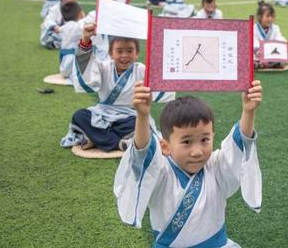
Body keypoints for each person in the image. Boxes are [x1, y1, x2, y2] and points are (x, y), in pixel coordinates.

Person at [113, 81, 263, 247]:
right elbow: (141, 156)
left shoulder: (215, 166)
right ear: (165, 146)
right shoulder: (161, 172)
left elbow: (238, 146)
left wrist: (248, 111)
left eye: (205, 140)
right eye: (187, 142)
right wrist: (142, 116)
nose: (197, 151)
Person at [61, 23, 172, 151]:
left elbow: (159, 83)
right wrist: (86, 40)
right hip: (102, 114)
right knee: (80, 115)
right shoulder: (103, 67)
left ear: (137, 54)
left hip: (129, 116)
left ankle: (96, 138)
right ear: (110, 53)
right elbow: (87, 70)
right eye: (119, 51)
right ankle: (120, 142)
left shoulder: (141, 70)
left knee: (138, 123)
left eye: (130, 51)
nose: (124, 55)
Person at [253, 1, 288, 68]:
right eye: (268, 16)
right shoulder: (254, 28)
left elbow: (279, 38)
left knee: (285, 52)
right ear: (260, 17)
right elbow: (253, 42)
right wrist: (258, 50)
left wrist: (285, 47)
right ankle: (257, 63)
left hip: (271, 54)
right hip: (258, 54)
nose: (270, 19)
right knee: (250, 56)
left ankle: (269, 63)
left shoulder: (275, 28)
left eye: (272, 16)